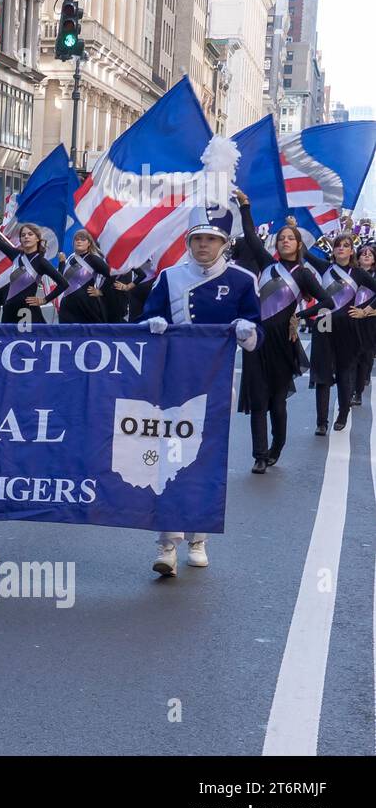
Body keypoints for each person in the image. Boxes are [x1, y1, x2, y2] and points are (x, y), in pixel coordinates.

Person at [141, 201, 262, 577]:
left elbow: (257, 331)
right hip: (172, 382)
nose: (204, 246)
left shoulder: (242, 280)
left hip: (214, 384)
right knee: (168, 456)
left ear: (224, 242)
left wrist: (247, 330)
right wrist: (154, 323)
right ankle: (166, 543)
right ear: (188, 242)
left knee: (205, 459)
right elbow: (145, 318)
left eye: (211, 239)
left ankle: (198, 537)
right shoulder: (169, 277)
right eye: (198, 239)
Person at [232, 194, 329, 472]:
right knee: (258, 399)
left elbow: (327, 302)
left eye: (290, 238)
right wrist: (245, 205)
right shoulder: (267, 264)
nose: (285, 241)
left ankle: (277, 446)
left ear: (298, 244)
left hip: (284, 344)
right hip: (257, 340)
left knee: (277, 402)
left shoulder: (303, 274)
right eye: (282, 237)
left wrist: (299, 316)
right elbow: (250, 235)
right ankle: (259, 455)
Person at [301, 232, 376, 434]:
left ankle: (343, 414)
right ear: (333, 250)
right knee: (322, 374)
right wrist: (296, 228)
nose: (341, 248)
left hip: (348, 328)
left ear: (352, 251)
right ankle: (321, 422)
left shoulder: (359, 274)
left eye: (345, 245)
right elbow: (303, 252)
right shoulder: (325, 267)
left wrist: (366, 311)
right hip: (324, 324)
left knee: (344, 373)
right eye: (338, 245)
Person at [0, 215, 70, 324]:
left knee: (30, 340)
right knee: (7, 340)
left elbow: (63, 283)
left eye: (30, 234)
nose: (26, 237)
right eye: (23, 235)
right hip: (9, 309)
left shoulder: (41, 262)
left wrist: (44, 300)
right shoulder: (16, 255)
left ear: (37, 238)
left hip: (27, 311)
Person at [55, 231, 112, 324]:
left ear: (89, 243)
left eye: (82, 239)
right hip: (67, 305)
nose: (79, 241)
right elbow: (61, 280)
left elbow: (111, 275)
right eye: (77, 239)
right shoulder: (70, 258)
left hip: (86, 305)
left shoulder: (93, 259)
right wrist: (61, 263)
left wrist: (101, 291)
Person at [354, 244, 376, 405]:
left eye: (370, 254)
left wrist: (368, 311)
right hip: (352, 319)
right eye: (363, 254)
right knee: (350, 356)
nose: (367, 256)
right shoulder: (351, 274)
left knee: (365, 356)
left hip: (370, 320)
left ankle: (358, 392)